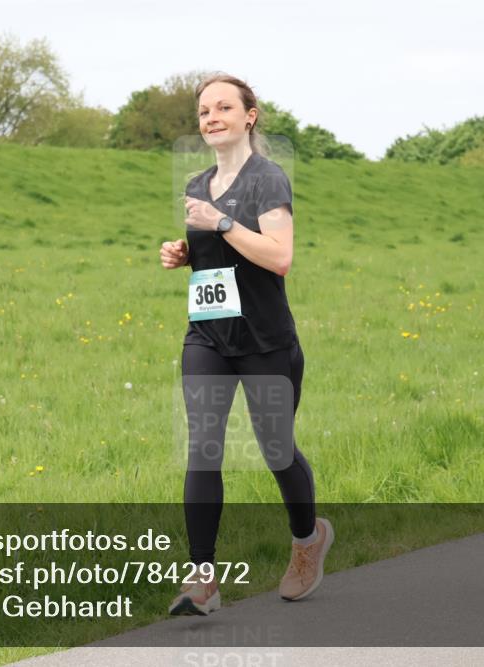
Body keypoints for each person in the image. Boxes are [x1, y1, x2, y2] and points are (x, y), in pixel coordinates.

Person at [161, 73, 334, 617]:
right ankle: (202, 580)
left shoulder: (268, 179)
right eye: (203, 111)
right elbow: (221, 256)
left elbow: (279, 257)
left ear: (249, 116)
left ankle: (307, 541)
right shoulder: (197, 184)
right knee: (203, 448)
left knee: (276, 449)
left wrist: (220, 221)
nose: (211, 117)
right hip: (208, 335)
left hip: (265, 340)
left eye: (223, 108)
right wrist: (186, 254)